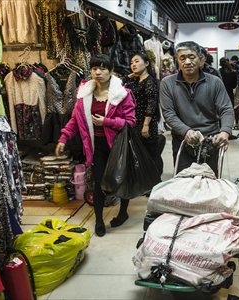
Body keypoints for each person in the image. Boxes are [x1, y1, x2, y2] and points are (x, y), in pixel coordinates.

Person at [55, 54, 136, 237]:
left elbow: (130, 122)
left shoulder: (122, 94)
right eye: (94, 68)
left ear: (111, 71)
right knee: (98, 183)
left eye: (103, 68)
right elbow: (75, 120)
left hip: (117, 145)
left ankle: (123, 212)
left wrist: (107, 122)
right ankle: (99, 220)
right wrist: (63, 138)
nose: (98, 72)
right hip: (95, 145)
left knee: (121, 179)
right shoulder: (84, 94)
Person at [160, 41, 234, 175]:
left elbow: (226, 109)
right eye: (182, 58)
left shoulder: (214, 82)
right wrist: (186, 131)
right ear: (177, 61)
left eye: (191, 57)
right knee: (184, 184)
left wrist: (225, 131)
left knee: (210, 183)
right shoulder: (167, 83)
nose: (187, 61)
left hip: (211, 140)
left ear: (200, 59)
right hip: (182, 139)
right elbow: (168, 113)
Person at [124, 52, 164, 177]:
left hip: (147, 123)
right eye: (131, 62)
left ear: (146, 63)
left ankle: (155, 181)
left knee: (152, 153)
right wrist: (128, 76)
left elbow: (151, 104)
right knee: (141, 153)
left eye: (136, 61)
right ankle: (146, 180)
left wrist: (146, 125)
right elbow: (121, 85)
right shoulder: (135, 80)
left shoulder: (149, 82)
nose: (133, 64)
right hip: (136, 122)